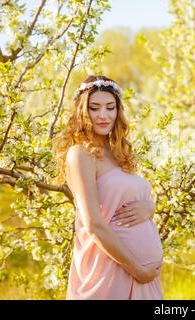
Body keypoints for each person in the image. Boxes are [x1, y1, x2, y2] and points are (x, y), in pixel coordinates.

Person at [52, 75, 163, 299]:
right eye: (95, 108)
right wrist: (138, 270)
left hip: (142, 277)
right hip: (110, 271)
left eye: (110, 107)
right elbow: (93, 224)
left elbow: (125, 199)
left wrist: (150, 208)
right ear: (83, 111)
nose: (103, 115)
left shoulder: (118, 153)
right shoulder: (80, 154)